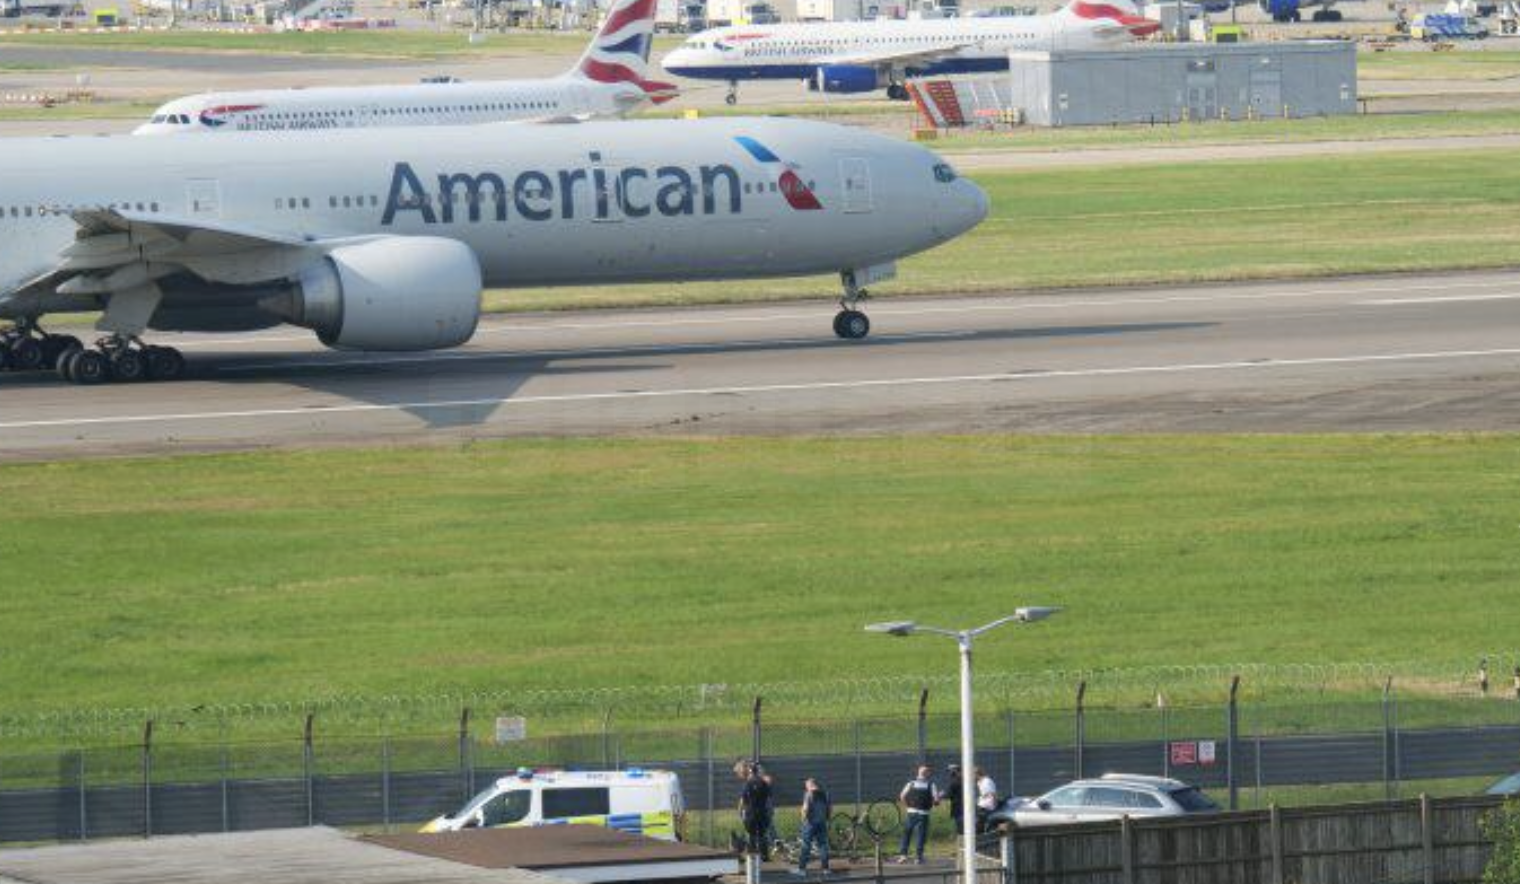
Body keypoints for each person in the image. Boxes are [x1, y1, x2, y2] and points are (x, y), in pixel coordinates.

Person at [896, 764, 939, 864]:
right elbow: (936, 801)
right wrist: (936, 802)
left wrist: (907, 807)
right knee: (920, 836)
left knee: (907, 834)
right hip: (923, 814)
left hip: (911, 813)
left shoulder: (910, 783)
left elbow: (902, 796)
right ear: (927, 773)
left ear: (918, 773)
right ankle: (918, 857)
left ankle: (903, 855)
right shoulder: (931, 785)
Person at [795, 777, 832, 876]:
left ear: (810, 785)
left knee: (806, 845)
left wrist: (803, 819)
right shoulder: (825, 794)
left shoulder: (809, 794)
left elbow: (805, 809)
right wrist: (827, 819)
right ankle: (826, 869)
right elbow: (829, 808)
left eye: (806, 786)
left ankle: (801, 869)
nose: (806, 788)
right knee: (823, 845)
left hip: (810, 823)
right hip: (822, 822)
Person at [738, 761, 773, 861]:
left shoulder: (747, 784)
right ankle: (765, 856)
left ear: (750, 771)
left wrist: (740, 812)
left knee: (751, 835)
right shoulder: (763, 783)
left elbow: (743, 800)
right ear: (757, 771)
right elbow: (768, 799)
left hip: (750, 812)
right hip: (762, 812)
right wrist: (769, 812)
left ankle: (752, 856)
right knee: (762, 834)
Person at [975, 767, 999, 834]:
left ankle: (983, 834)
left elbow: (993, 794)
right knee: (980, 823)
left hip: (988, 806)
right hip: (982, 805)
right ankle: (980, 834)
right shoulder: (979, 782)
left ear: (977, 774)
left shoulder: (987, 781)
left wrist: (994, 805)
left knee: (985, 822)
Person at [946, 764, 965, 835]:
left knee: (960, 825)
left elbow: (949, 794)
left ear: (955, 771)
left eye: (950, 771)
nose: (949, 773)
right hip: (962, 804)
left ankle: (961, 839)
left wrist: (941, 795)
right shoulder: (963, 779)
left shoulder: (955, 781)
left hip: (958, 806)